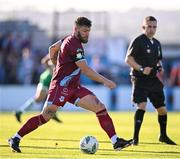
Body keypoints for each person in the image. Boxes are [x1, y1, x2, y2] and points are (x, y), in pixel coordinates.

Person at [8, 17, 132, 153]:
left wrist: (56, 65)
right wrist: (105, 81)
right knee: (45, 117)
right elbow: (85, 70)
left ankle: (115, 141)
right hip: (60, 87)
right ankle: (15, 138)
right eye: (84, 31)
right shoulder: (74, 45)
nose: (87, 34)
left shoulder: (67, 39)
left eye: (88, 31)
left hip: (74, 87)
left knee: (100, 108)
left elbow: (52, 48)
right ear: (76, 29)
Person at [125, 16, 176, 146]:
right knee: (142, 106)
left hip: (153, 80)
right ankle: (135, 139)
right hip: (140, 79)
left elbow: (158, 60)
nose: (152, 29)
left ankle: (163, 136)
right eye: (149, 26)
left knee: (162, 110)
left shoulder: (157, 43)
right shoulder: (138, 41)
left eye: (154, 27)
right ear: (143, 27)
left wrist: (160, 67)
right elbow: (128, 60)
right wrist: (141, 69)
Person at [15, 54, 62, 123]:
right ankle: (19, 111)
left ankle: (52, 114)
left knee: (60, 97)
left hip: (54, 80)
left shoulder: (64, 54)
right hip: (46, 79)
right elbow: (44, 61)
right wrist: (50, 70)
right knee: (38, 99)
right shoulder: (56, 52)